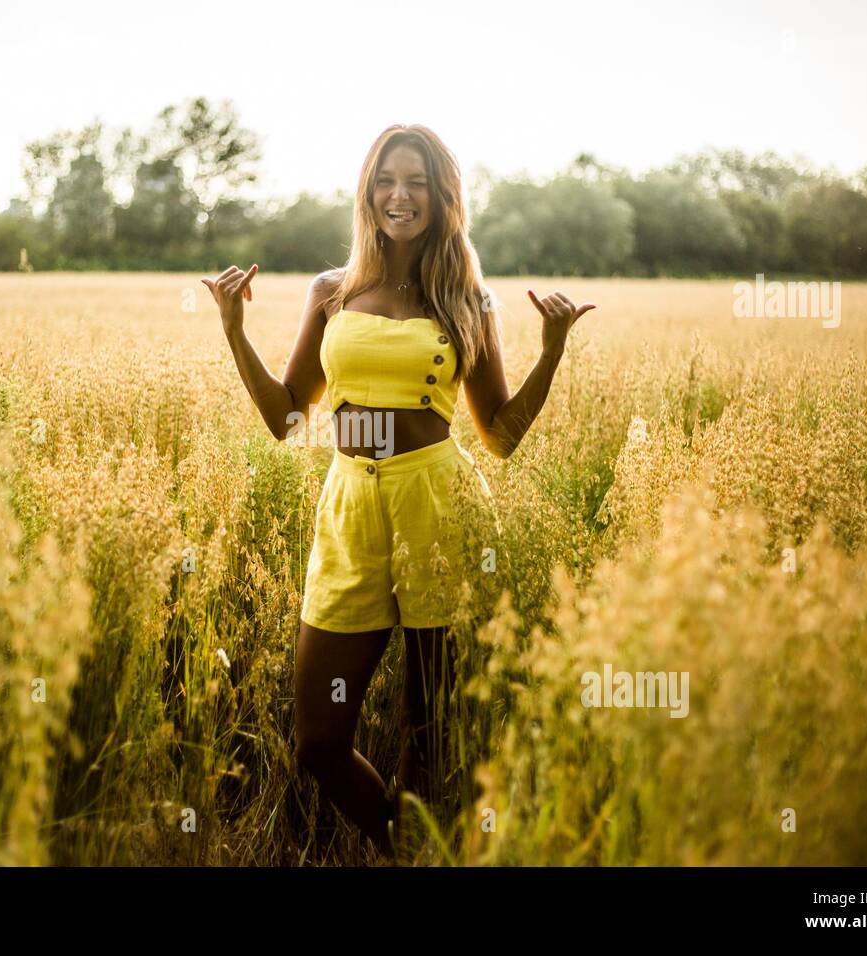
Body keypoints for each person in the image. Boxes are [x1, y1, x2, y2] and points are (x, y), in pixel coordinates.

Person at [201, 123, 596, 861]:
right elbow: (287, 417)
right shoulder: (331, 292)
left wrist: (552, 356)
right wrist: (234, 330)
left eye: (416, 181)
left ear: (442, 197)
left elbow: (502, 434)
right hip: (351, 503)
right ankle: (403, 845)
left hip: (435, 502)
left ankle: (415, 852)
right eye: (387, 180)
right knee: (319, 739)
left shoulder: (466, 301)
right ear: (368, 192)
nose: (399, 195)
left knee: (427, 737)